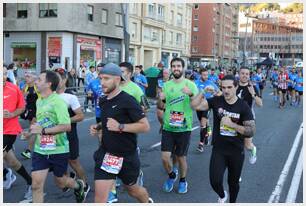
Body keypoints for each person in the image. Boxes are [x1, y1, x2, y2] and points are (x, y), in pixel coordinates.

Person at [89, 63, 153, 203]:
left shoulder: (128, 100)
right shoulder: (103, 100)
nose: (102, 83)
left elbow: (145, 126)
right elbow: (108, 121)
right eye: (101, 78)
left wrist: (120, 126)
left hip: (126, 156)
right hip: (106, 154)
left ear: (117, 79)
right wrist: (98, 126)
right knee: (99, 200)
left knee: (133, 190)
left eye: (106, 79)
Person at [191, 75, 256, 203]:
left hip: (236, 151)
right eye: (223, 87)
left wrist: (232, 125)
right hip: (219, 149)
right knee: (215, 181)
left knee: (233, 183)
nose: (226, 90)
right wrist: (203, 91)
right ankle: (222, 195)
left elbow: (251, 131)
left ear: (236, 87)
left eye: (229, 87)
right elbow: (195, 106)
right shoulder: (216, 101)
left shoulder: (243, 106)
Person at [29, 70, 86, 203]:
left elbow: (66, 126)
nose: (35, 81)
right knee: (36, 185)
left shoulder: (59, 102)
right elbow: (41, 121)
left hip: (58, 149)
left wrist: (43, 130)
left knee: (60, 182)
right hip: (41, 149)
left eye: (39, 79)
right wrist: (31, 131)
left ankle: (78, 185)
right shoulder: (39, 101)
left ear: (48, 84)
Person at [157, 57, 198, 194]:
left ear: (183, 68)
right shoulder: (167, 85)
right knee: (165, 158)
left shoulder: (190, 85)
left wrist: (191, 94)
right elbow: (161, 106)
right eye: (173, 66)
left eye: (178, 66)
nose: (176, 68)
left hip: (184, 127)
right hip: (168, 127)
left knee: (181, 157)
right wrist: (161, 98)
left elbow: (197, 104)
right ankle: (171, 175)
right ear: (171, 68)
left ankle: (182, 180)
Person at [55, 70, 91, 197]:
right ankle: (67, 180)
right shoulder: (49, 95)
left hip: (69, 135)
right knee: (58, 161)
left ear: (64, 80)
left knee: (73, 161)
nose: (54, 81)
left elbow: (80, 116)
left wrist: (64, 122)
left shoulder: (71, 96)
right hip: (53, 136)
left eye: (58, 78)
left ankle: (85, 185)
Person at [3, 65, 33, 203]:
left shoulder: (13, 88)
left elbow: (22, 108)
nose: (3, 77)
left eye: (4, 74)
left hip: (9, 130)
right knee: (12, 161)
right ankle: (30, 181)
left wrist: (12, 114)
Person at [237, 67, 263, 164]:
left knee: (247, 145)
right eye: (242, 73)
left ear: (249, 75)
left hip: (248, 119)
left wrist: (253, 94)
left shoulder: (252, 87)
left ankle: (253, 149)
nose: (244, 75)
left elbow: (260, 104)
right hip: (234, 118)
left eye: (247, 74)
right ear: (238, 74)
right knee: (236, 147)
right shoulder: (234, 86)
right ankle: (236, 173)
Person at [194, 68, 222, 152]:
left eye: (207, 75)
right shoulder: (196, 83)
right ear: (200, 75)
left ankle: (200, 144)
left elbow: (220, 93)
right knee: (203, 124)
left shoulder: (210, 83)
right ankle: (206, 134)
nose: (206, 76)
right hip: (199, 105)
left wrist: (214, 94)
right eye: (204, 75)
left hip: (208, 105)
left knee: (203, 124)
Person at [20, 71, 41, 159]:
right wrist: (23, 95)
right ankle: (38, 146)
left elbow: (43, 97)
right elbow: (20, 97)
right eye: (25, 76)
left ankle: (28, 151)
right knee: (34, 129)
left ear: (34, 77)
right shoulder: (25, 87)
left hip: (38, 110)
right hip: (29, 110)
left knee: (32, 129)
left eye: (28, 76)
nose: (26, 78)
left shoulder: (37, 87)